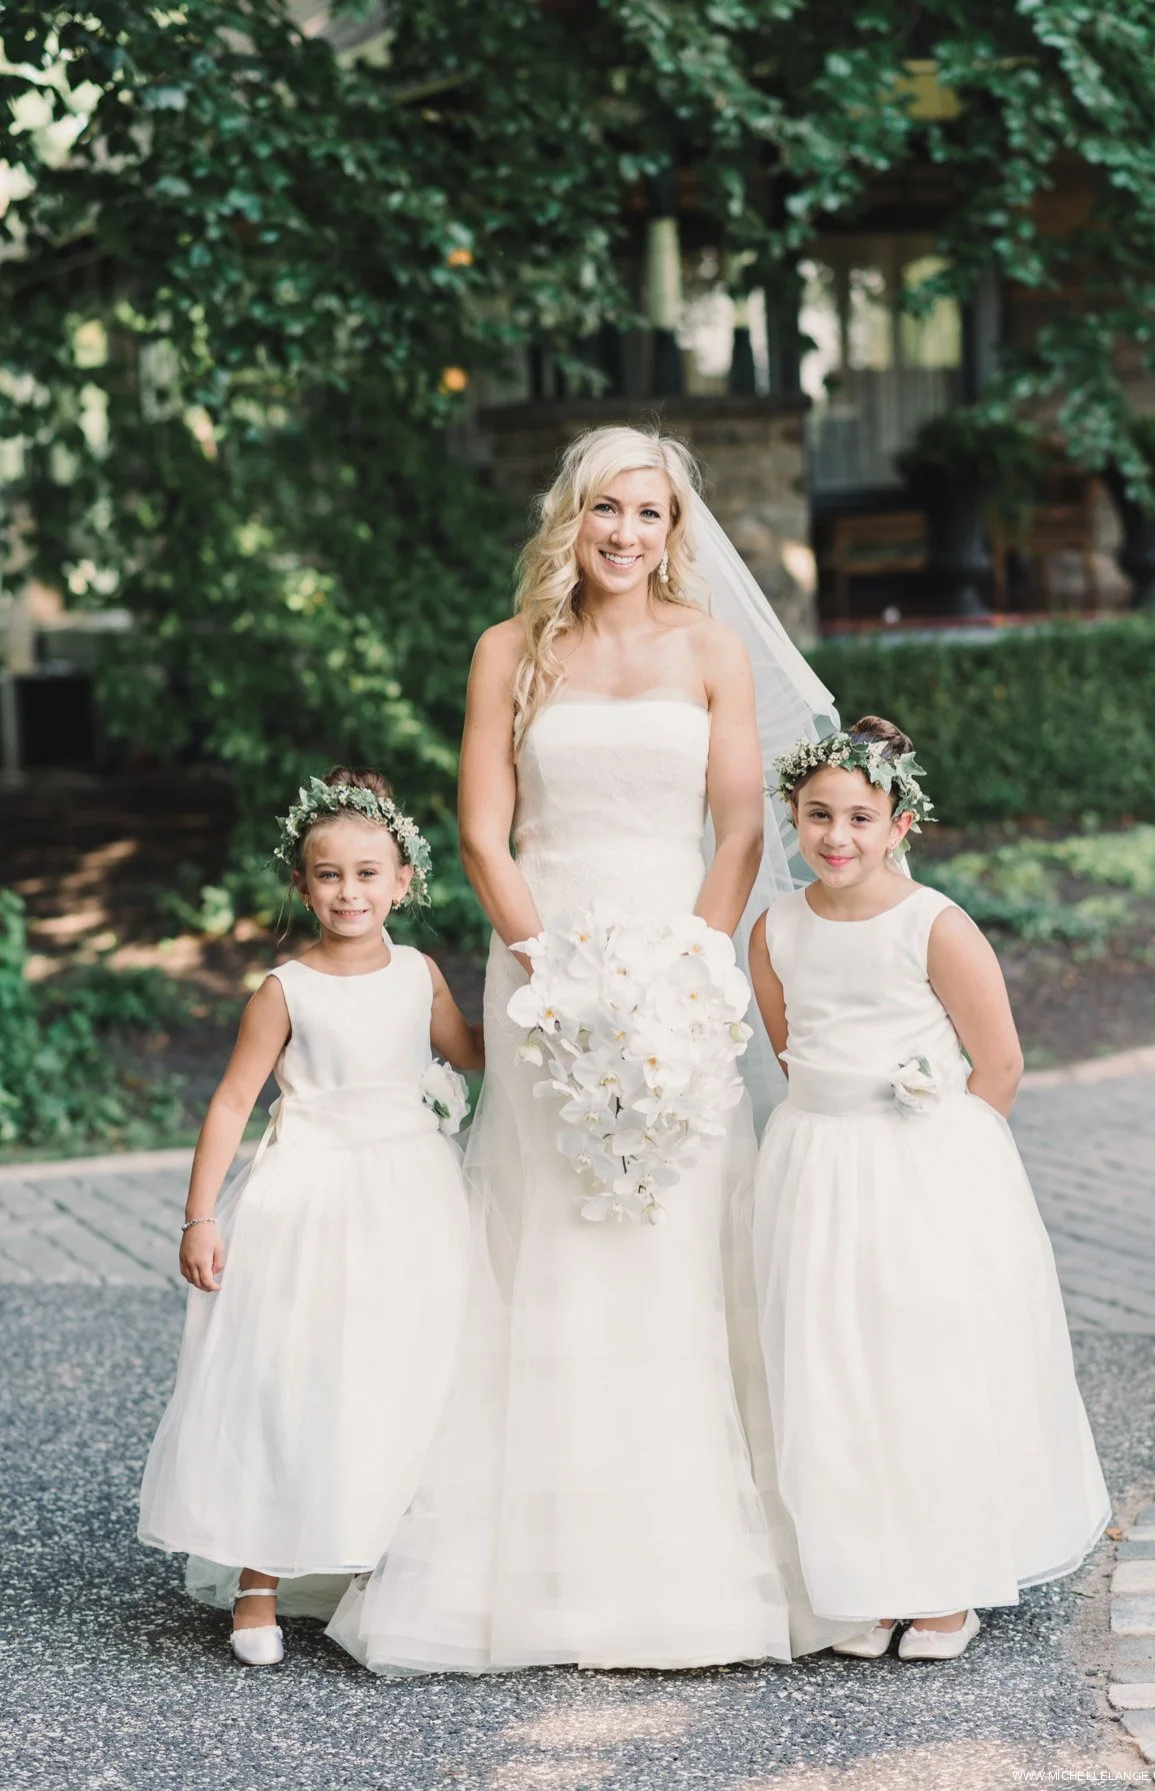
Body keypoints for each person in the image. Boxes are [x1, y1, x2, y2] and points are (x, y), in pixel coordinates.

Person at [329, 425, 854, 1674]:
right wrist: (554, 974)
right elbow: (482, 835)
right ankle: (530, 1563)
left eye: (653, 514)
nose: (628, 534)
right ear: (574, 516)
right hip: (545, 982)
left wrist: (691, 969)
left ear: (677, 531)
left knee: (681, 1242)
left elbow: (736, 830)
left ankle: (709, 1559)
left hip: (679, 979)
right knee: (546, 1239)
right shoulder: (510, 651)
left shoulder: (712, 649)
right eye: (608, 509)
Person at [749, 717, 1110, 1661]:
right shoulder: (774, 929)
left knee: (920, 1366)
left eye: (861, 817)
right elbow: (795, 1053)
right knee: (831, 1370)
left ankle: (945, 1581)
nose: (837, 836)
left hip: (921, 1173)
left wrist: (947, 1168)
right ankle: (867, 1576)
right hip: (816, 1166)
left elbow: (999, 1064)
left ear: (902, 821)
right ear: (792, 816)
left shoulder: (934, 924)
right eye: (818, 814)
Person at [138, 768, 483, 1666]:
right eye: (329, 875)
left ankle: (379, 1551)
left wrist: (550, 1006)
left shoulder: (420, 973)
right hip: (312, 1197)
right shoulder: (286, 988)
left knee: (403, 1368)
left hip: (412, 1193)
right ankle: (259, 1578)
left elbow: (472, 1054)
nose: (349, 892)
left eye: (369, 874)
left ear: (404, 879)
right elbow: (230, 1104)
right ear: (302, 883)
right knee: (292, 1375)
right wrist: (198, 1216)